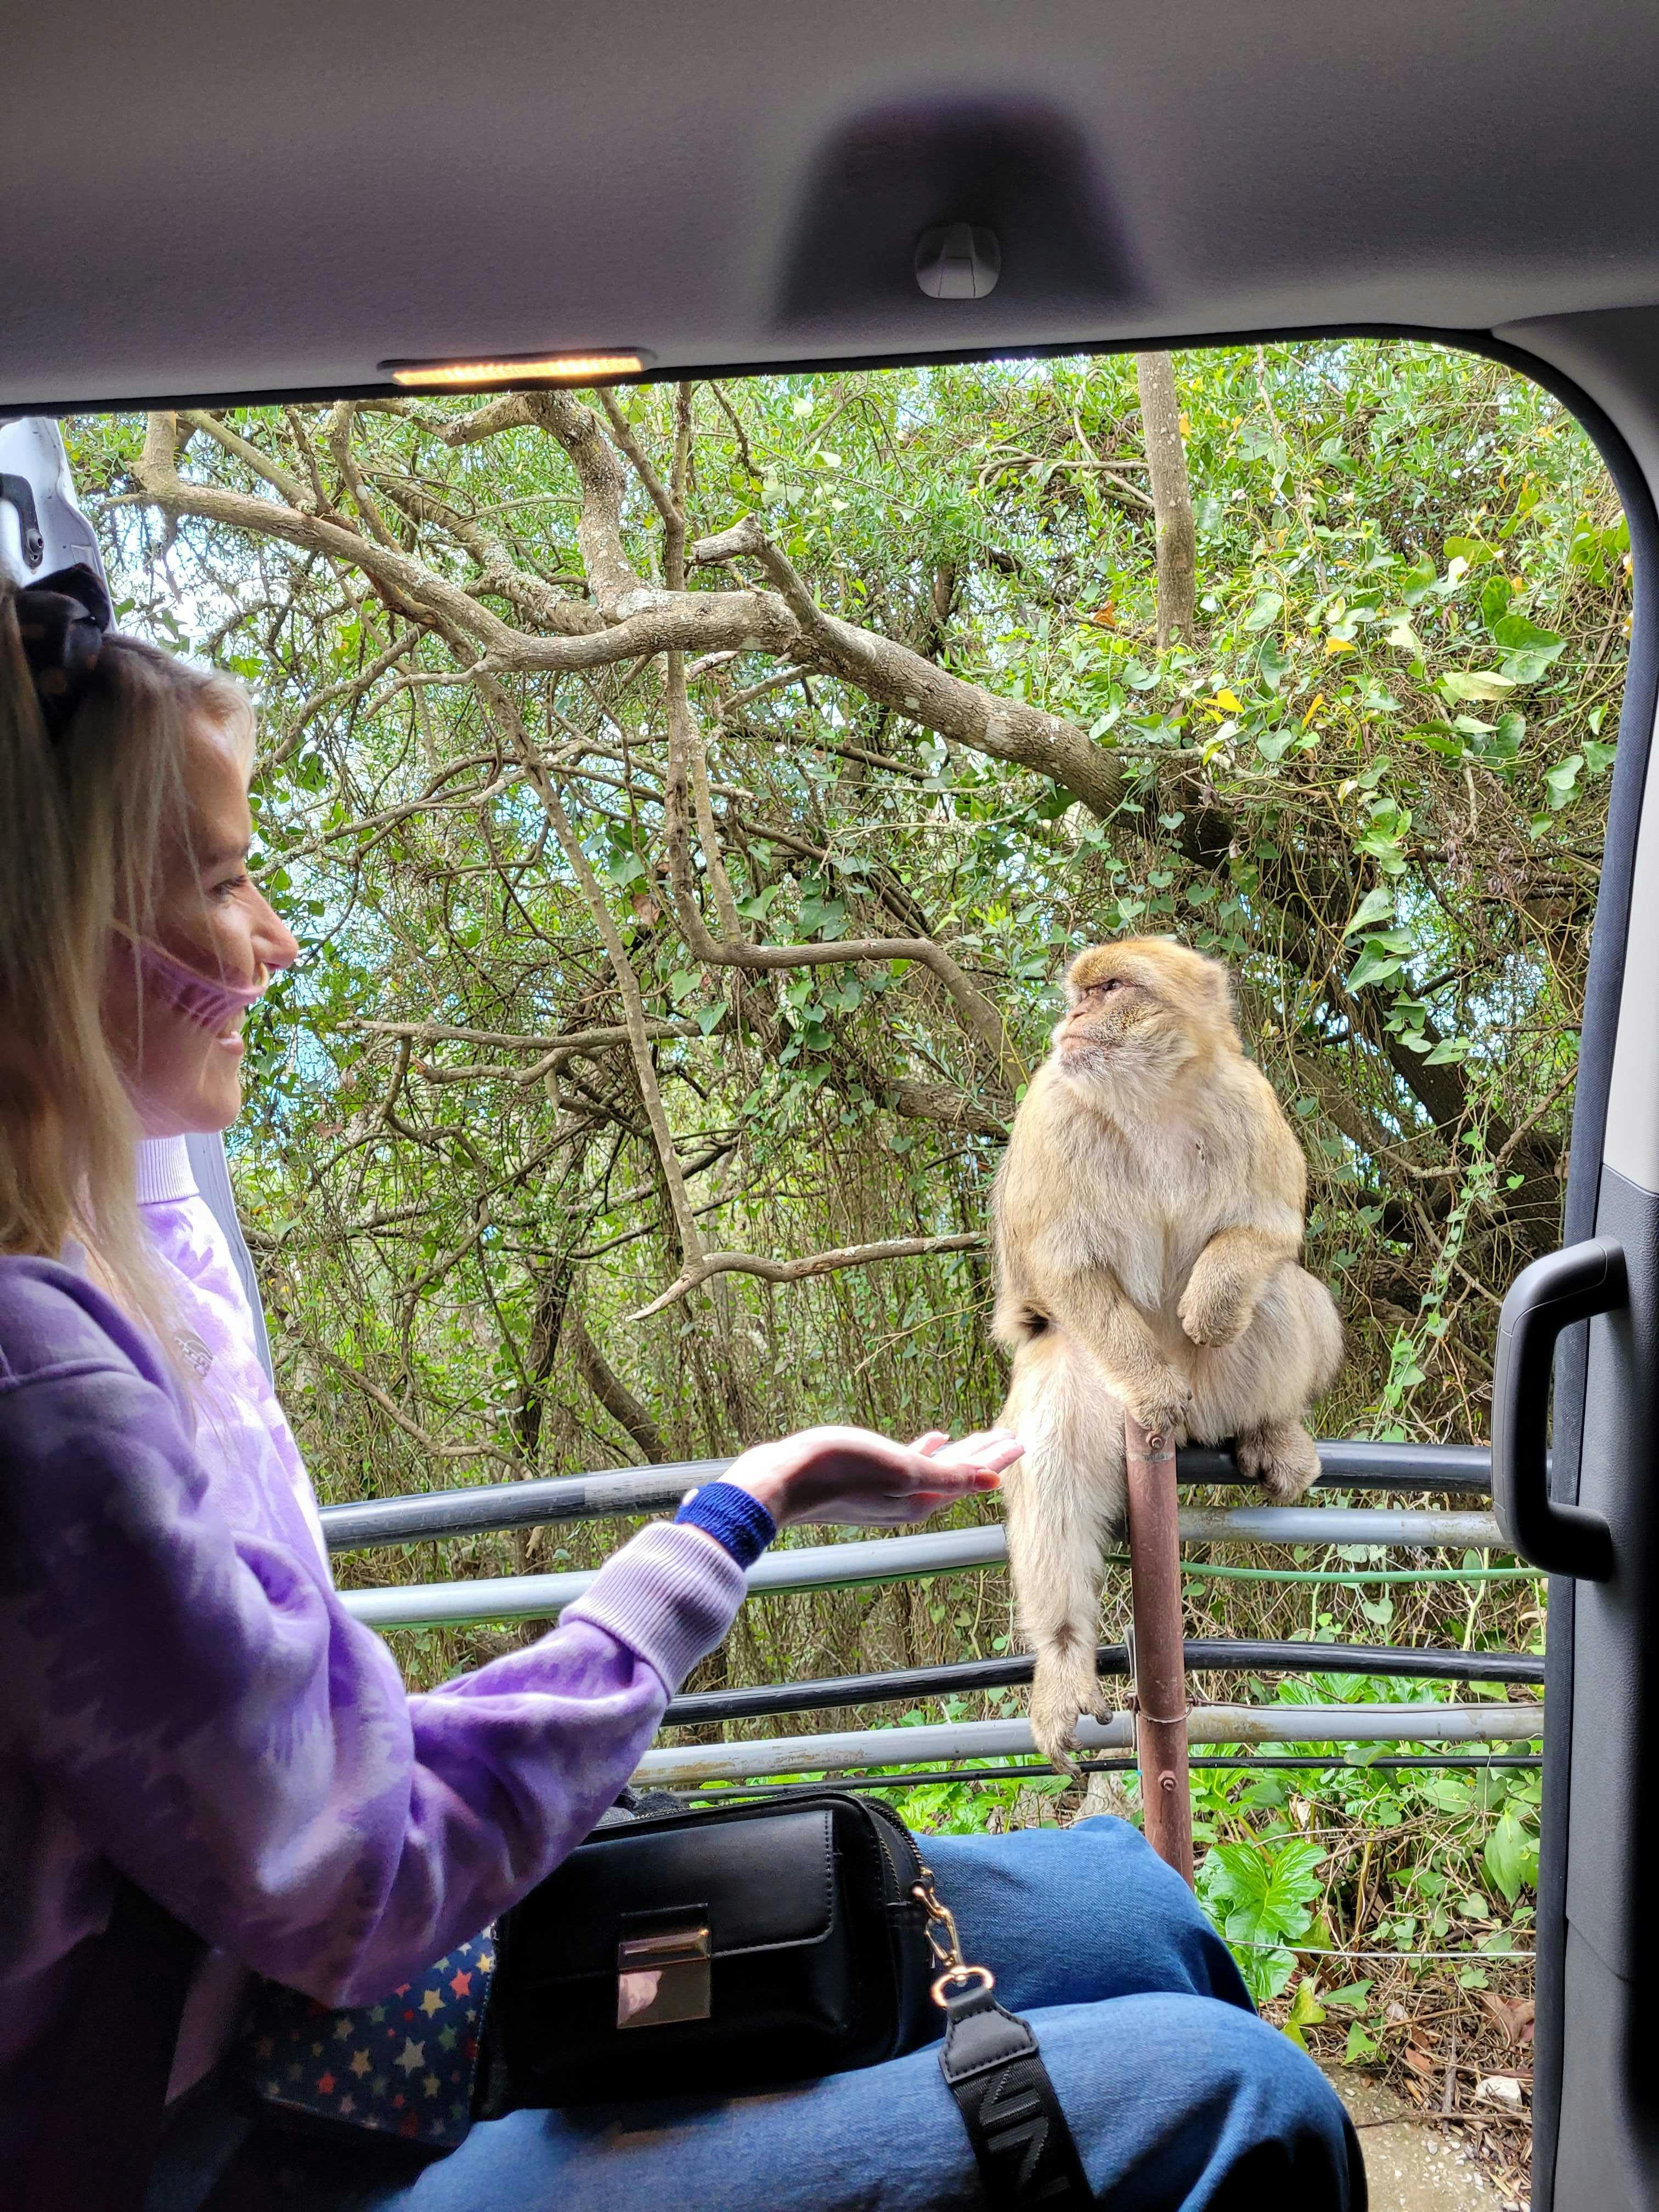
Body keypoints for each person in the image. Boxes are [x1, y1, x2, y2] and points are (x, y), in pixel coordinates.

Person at [0, 575, 1363, 2210]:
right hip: (229, 2123)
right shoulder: (43, 1378)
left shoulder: (127, 1228)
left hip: (366, 2002)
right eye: (226, 884)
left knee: (1133, 1913)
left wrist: (762, 1492)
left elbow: (291, 1772)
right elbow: (361, 1866)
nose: (277, 942)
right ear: (44, 938)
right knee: (1243, 2101)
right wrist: (721, 1533)